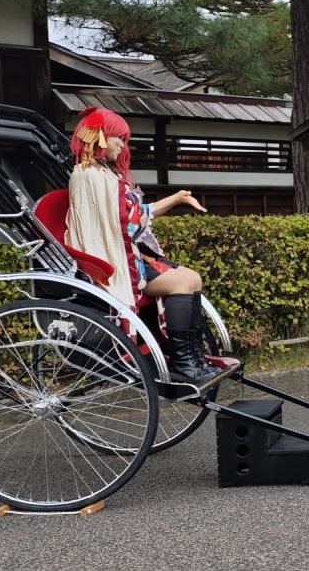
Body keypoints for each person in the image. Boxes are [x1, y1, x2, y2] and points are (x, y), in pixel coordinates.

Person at [65, 107, 218, 384]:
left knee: (193, 278)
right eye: (119, 138)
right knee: (183, 283)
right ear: (100, 136)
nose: (123, 146)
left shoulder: (100, 174)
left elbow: (130, 218)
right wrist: (168, 203)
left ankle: (193, 357)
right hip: (111, 263)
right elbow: (129, 224)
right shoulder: (90, 175)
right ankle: (184, 361)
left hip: (123, 253)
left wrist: (176, 198)